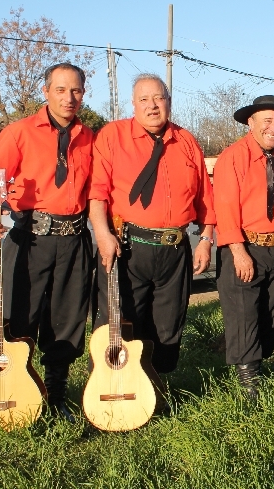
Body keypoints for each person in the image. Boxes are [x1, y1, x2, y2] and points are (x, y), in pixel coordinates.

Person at [0, 62, 94, 420]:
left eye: (76, 91)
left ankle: (56, 395)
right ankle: (18, 390)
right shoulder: (19, 133)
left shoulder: (90, 138)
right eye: (60, 90)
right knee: (17, 317)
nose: (69, 98)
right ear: (46, 92)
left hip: (74, 241)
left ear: (83, 94)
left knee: (67, 321)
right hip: (29, 239)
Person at [89, 73, 215, 376]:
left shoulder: (185, 141)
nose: (152, 105)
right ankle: (111, 387)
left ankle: (157, 388)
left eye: (159, 98)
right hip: (128, 247)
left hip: (175, 250)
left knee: (168, 324)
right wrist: (103, 235)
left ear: (168, 102)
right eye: (144, 99)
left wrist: (207, 240)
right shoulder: (112, 136)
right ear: (133, 104)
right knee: (119, 324)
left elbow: (205, 198)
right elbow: (97, 193)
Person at [213, 95, 274, 398]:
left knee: (271, 314)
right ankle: (248, 380)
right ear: (251, 123)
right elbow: (224, 208)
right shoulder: (233, 157)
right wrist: (238, 252)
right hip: (245, 247)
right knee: (244, 315)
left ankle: (257, 364)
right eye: (267, 120)